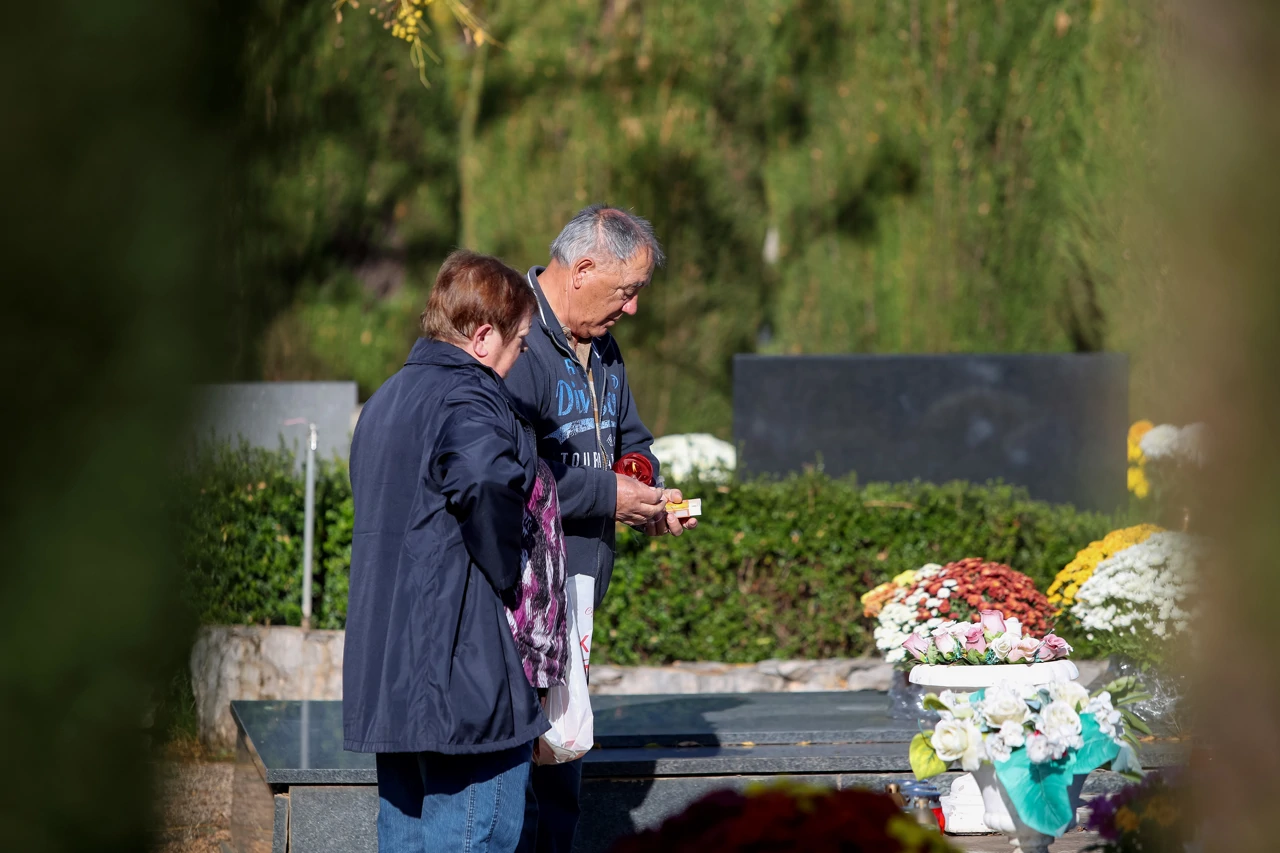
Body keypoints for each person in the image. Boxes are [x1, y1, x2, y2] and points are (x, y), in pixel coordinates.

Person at [505, 205, 698, 853]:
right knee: (527, 782)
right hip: (521, 603)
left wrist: (643, 487)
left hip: (579, 595)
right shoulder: (514, 340)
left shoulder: (605, 349)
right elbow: (510, 478)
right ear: (582, 269)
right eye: (628, 290)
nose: (634, 307)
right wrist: (606, 495)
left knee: (563, 771)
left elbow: (632, 440)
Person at [343, 250, 546, 853]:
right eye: (520, 342)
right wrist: (510, 570)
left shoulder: (385, 400)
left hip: (396, 670)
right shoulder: (468, 396)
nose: (522, 357)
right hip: (464, 673)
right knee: (476, 837)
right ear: (484, 337)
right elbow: (484, 481)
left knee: (406, 841)